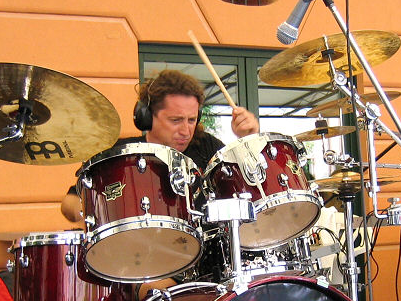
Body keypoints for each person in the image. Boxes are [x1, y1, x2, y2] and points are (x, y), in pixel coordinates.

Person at [61, 69, 260, 222]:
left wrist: (249, 139)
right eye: (176, 120)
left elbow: (251, 186)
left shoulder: (205, 146)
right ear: (147, 118)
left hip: (204, 256)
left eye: (191, 120)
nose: (186, 131)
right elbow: (70, 203)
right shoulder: (121, 155)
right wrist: (93, 215)